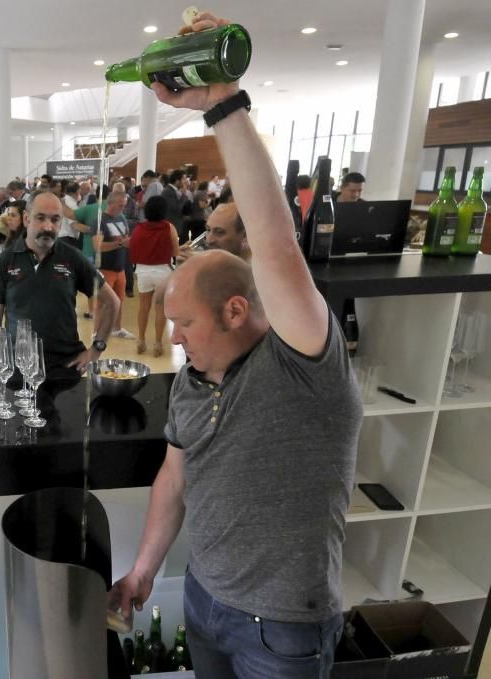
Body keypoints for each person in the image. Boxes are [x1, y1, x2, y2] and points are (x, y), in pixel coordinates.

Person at [110, 11, 361, 679]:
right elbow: (175, 475)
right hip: (206, 599)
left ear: (237, 308)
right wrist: (142, 570)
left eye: (185, 324)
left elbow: (276, 242)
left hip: (282, 626)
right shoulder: (196, 378)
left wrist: (222, 104)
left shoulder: (303, 362)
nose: (173, 338)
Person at [0, 189, 118, 378]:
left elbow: (112, 302)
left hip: (65, 367)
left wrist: (96, 348)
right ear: (26, 219)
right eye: (40, 218)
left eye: (55, 219)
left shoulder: (72, 257)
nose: (48, 226)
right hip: (19, 368)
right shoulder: (5, 261)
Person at [129, 195, 178, 356]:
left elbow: (133, 247)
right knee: (160, 309)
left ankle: (141, 341)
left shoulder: (139, 228)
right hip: (163, 270)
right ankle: (157, 344)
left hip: (143, 271)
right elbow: (175, 251)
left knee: (143, 307)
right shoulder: (169, 227)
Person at [93, 191, 134, 340]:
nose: (123, 208)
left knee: (119, 300)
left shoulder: (122, 219)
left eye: (124, 205)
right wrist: (121, 243)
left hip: (120, 267)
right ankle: (96, 332)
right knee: (103, 303)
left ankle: (117, 328)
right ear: (111, 203)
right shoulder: (100, 221)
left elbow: (126, 239)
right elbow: (98, 246)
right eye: (120, 205)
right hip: (105, 267)